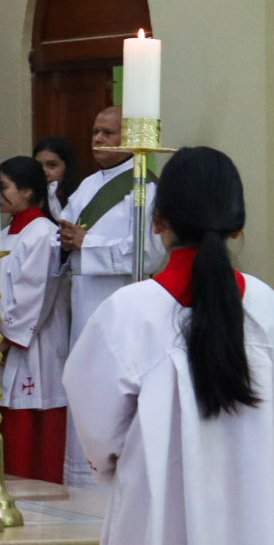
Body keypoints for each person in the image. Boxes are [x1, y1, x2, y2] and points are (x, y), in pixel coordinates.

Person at [64, 147, 274, 545]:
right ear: (239, 224)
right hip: (245, 505)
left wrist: (120, 463)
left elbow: (96, 428)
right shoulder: (261, 303)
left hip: (157, 505)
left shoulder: (131, 310)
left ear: (158, 222)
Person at [56, 106, 166, 485]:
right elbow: (65, 239)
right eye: (95, 131)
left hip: (117, 305)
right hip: (81, 306)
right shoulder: (87, 185)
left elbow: (151, 253)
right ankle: (81, 483)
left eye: (108, 133)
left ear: (131, 139)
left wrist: (89, 243)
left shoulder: (145, 188)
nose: (98, 140)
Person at [0, 155, 69, 484]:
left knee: (33, 426)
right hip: (6, 342)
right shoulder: (5, 233)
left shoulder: (43, 233)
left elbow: (34, 293)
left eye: (3, 186)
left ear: (27, 191)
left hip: (33, 344)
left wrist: (6, 338)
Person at [33, 135, 82, 211]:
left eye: (52, 165)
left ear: (67, 167)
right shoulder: (28, 201)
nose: (44, 173)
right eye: (38, 166)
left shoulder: (81, 199)